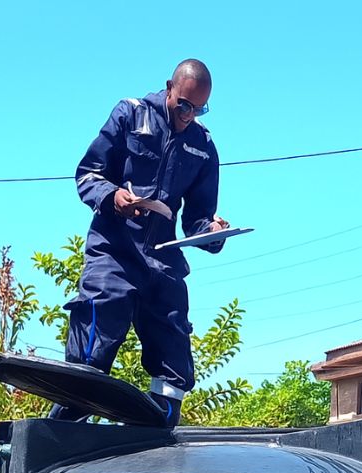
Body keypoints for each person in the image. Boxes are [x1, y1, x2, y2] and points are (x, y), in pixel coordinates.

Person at [49, 58, 229, 427]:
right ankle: (65, 427)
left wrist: (211, 230)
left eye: (199, 109)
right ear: (169, 88)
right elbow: (87, 174)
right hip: (113, 250)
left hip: (163, 258)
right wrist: (113, 197)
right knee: (98, 326)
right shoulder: (130, 115)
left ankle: (158, 427)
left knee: (173, 340)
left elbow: (197, 217)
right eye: (184, 105)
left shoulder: (203, 145)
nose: (189, 115)